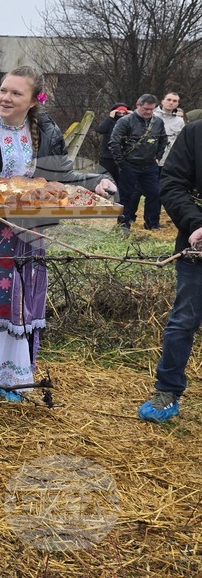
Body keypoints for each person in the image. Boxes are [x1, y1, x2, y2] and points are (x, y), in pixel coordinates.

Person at [0, 67, 115, 407]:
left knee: (13, 303)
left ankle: (7, 375)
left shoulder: (45, 130)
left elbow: (60, 176)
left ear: (33, 101)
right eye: (3, 90)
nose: (6, 98)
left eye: (16, 93)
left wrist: (93, 183)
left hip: (26, 234)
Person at [137, 120, 202, 422]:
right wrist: (195, 223)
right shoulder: (195, 133)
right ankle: (167, 390)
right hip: (199, 246)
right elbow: (172, 182)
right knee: (183, 320)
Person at [109, 93, 167, 231]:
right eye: (145, 109)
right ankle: (124, 223)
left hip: (150, 165)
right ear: (138, 105)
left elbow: (163, 139)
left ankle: (152, 223)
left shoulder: (158, 121)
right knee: (126, 195)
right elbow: (114, 143)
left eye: (151, 109)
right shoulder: (125, 121)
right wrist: (122, 163)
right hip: (129, 164)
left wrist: (158, 155)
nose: (148, 112)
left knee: (154, 193)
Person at [95, 102, 130, 182]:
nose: (121, 115)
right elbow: (100, 130)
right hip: (108, 156)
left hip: (124, 157)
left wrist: (133, 116)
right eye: (119, 113)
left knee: (122, 181)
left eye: (124, 113)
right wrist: (110, 118)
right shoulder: (110, 123)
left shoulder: (130, 123)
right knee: (105, 179)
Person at [156, 91, 185, 168]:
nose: (171, 102)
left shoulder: (179, 121)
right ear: (162, 101)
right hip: (151, 159)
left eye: (174, 101)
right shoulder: (152, 116)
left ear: (177, 104)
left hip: (169, 160)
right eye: (169, 99)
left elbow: (181, 141)